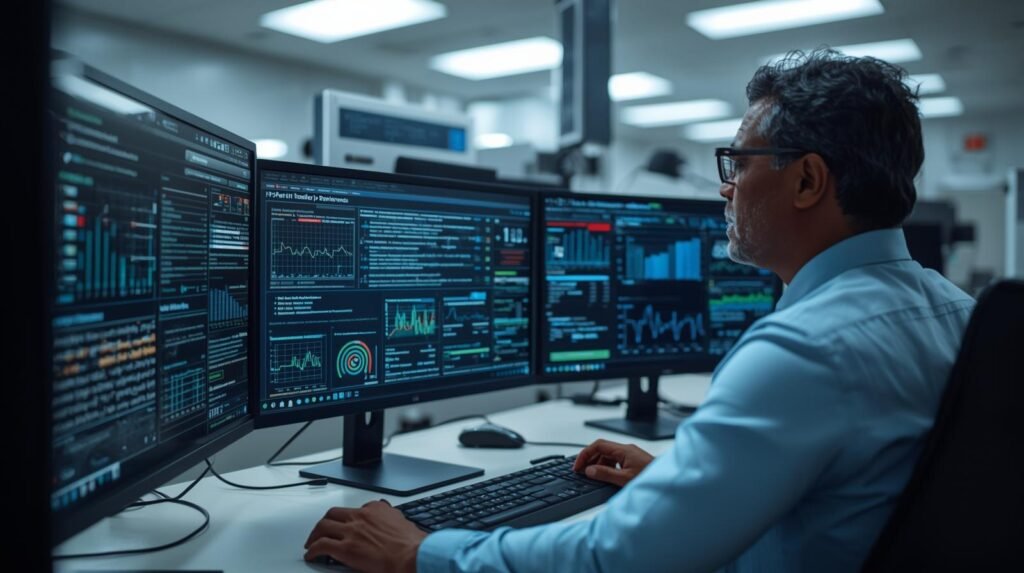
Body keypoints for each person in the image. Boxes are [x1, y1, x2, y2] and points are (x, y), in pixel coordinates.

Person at [302, 49, 976, 573]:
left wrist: (421, 553)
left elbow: (617, 558)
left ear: (806, 180)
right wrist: (692, 486)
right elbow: (853, 493)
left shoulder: (804, 349)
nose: (725, 184)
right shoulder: (960, 314)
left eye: (738, 161)